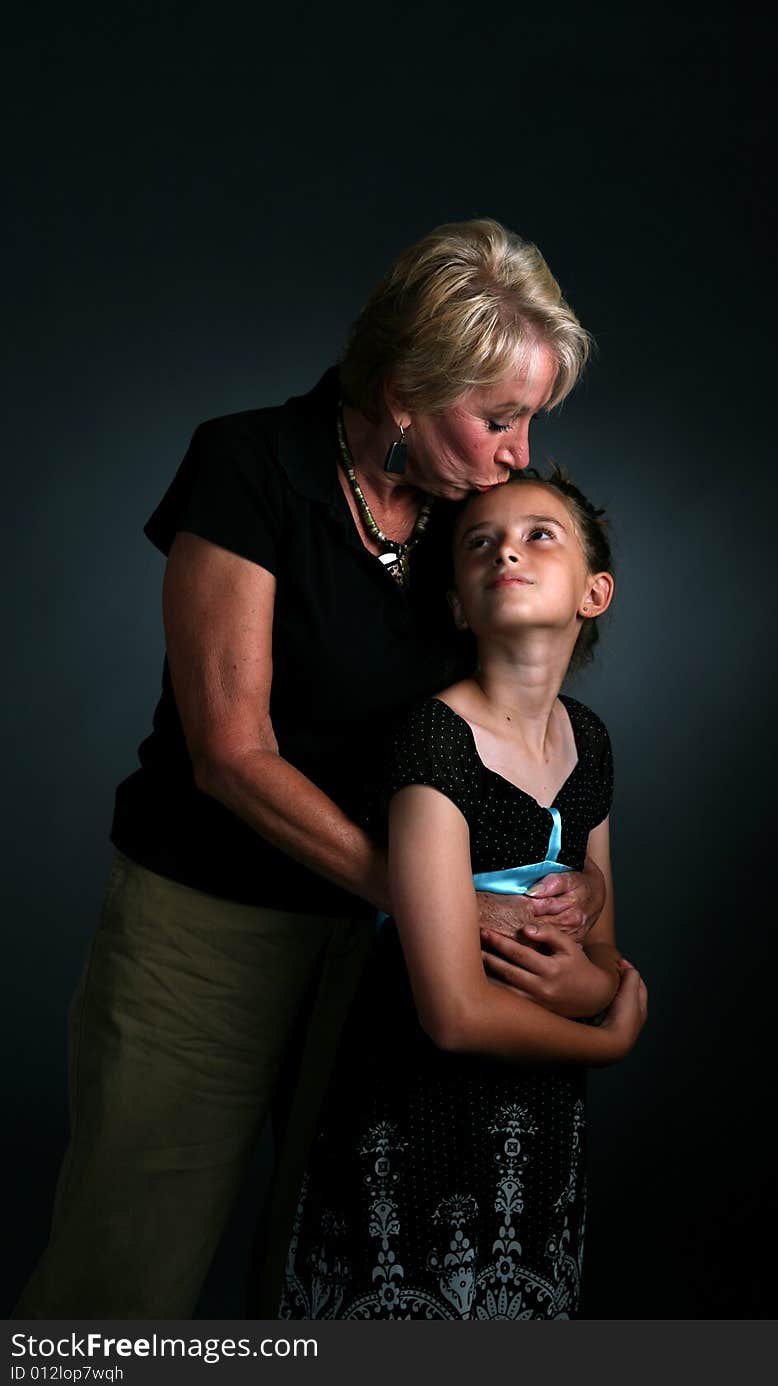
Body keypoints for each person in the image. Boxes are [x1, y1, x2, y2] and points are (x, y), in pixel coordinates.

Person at [16, 220, 609, 1319]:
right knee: (128, 1260)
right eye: (497, 418)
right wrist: (431, 900)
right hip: (209, 923)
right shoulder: (251, 466)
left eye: (529, 420)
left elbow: (523, 715)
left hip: (392, 952)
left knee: (330, 1265)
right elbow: (231, 754)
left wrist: (564, 882)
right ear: (403, 388)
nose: (517, 454)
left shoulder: (473, 524)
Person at [278, 469, 648, 1320]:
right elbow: (453, 1012)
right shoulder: (433, 741)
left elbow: (602, 959)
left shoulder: (588, 742)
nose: (506, 548)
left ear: (595, 592)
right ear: (455, 606)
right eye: (479, 541)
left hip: (541, 1114)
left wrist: (592, 988)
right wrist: (607, 1038)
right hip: (412, 1108)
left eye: (539, 534)